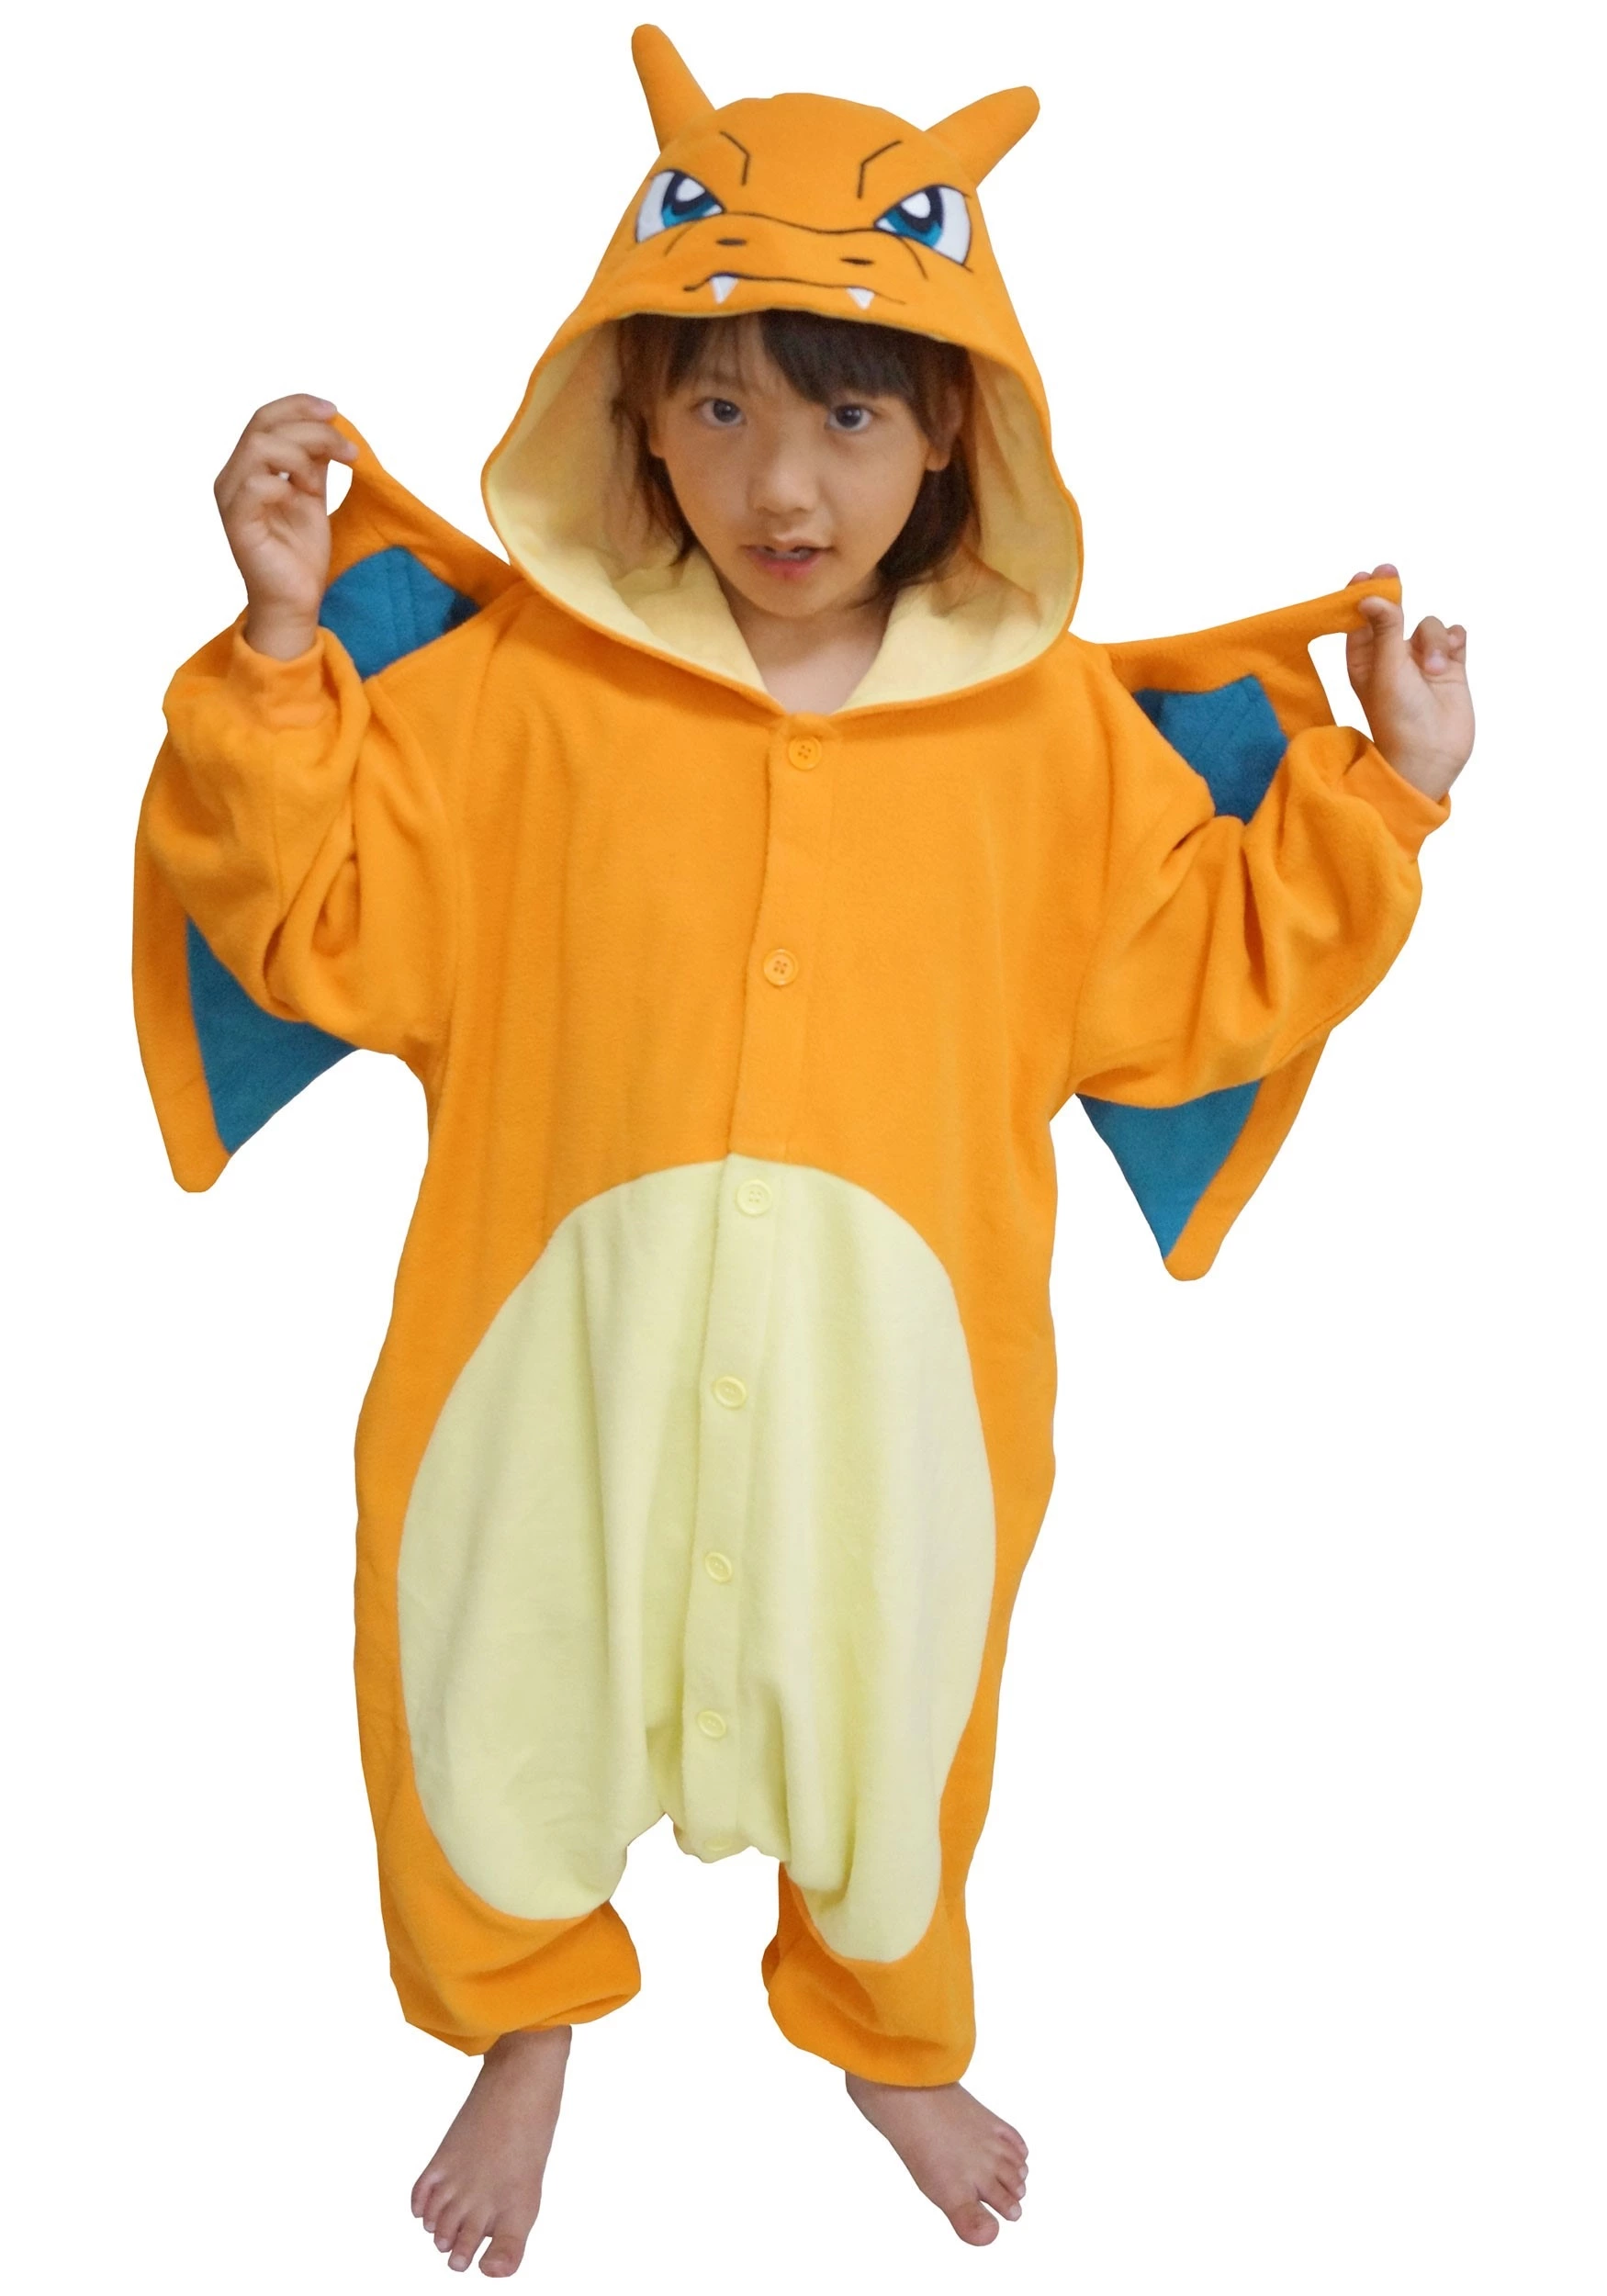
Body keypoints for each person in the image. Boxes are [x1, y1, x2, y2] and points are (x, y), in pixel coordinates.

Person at [135, 26, 1473, 2279]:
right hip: (544, 1335)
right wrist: (284, 644)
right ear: (634, 411)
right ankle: (521, 2012)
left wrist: (1388, 792)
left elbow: (1198, 977)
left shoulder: (1048, 739)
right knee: (490, 1643)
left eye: (850, 414)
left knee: (898, 1670)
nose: (781, 479)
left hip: (899, 1358)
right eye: (720, 404)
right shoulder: (520, 689)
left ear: (952, 424)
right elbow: (311, 911)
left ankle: (880, 2024)